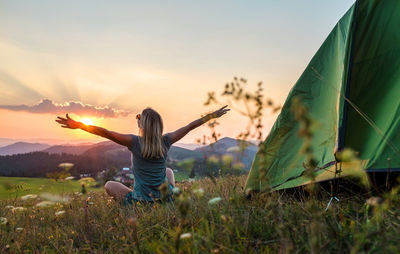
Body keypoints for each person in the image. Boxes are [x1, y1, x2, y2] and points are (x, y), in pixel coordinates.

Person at [55, 105, 230, 204]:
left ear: (142, 125)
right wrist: (212, 116)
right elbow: (190, 126)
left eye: (139, 118)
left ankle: (142, 195)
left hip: (142, 201)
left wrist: (79, 125)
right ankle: (169, 197)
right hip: (164, 197)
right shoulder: (166, 140)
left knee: (109, 184)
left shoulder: (134, 142)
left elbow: (105, 132)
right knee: (168, 172)